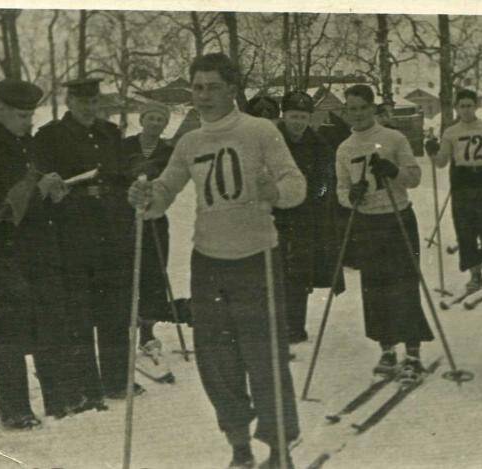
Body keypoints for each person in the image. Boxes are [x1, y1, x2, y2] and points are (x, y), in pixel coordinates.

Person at [128, 53, 304, 469]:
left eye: (211, 87)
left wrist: (274, 192)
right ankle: (239, 448)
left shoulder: (260, 131)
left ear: (232, 89)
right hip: (209, 262)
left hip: (257, 256)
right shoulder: (190, 141)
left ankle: (279, 451)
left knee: (264, 358)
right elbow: (166, 189)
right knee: (216, 361)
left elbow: (296, 183)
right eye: (196, 87)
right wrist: (147, 198)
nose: (202, 95)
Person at [0, 78, 83, 426]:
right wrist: (37, 190)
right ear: (0, 111)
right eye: (20, 115)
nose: (28, 122)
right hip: (3, 252)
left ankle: (61, 400)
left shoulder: (27, 144)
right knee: (9, 334)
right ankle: (15, 411)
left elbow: (36, 190)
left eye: (30, 115)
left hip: (40, 248)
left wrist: (54, 192)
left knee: (51, 323)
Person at [34, 77, 142, 404]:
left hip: (111, 234)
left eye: (93, 102)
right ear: (69, 102)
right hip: (74, 235)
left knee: (114, 310)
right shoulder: (50, 136)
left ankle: (118, 380)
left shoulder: (110, 134)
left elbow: (124, 175)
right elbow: (45, 181)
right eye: (82, 102)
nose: (88, 108)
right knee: (79, 313)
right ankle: (87, 386)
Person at [335, 84, 434, 380]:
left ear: (373, 109)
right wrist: (351, 195)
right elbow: (339, 188)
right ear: (346, 112)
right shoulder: (344, 148)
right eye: (352, 109)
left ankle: (413, 353)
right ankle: (387, 350)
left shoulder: (393, 138)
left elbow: (414, 177)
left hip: (397, 218)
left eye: (363, 108)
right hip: (367, 222)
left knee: (404, 284)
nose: (358, 114)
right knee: (374, 287)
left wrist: (393, 171)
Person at [273, 90, 345, 345]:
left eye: (303, 117)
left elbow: (326, 180)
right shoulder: (271, 141)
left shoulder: (319, 145)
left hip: (305, 216)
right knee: (273, 269)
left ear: (309, 118)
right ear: (284, 116)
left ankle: (295, 327)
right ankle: (272, 325)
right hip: (274, 215)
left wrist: (317, 195)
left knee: (299, 271)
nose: (298, 122)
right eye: (293, 116)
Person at [121, 100, 179, 383]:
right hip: (127, 217)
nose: (156, 123)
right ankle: (124, 329)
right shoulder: (126, 146)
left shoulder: (169, 150)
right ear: (142, 119)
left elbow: (171, 180)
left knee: (154, 273)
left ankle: (147, 332)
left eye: (161, 119)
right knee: (128, 269)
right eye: (152, 118)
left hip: (156, 216)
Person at [432, 89, 482, 291]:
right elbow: (441, 162)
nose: (466, 110)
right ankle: (475, 275)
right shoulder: (450, 132)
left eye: (469, 105)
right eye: (462, 106)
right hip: (463, 182)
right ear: (456, 108)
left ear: (476, 106)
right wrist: (432, 151)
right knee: (465, 228)